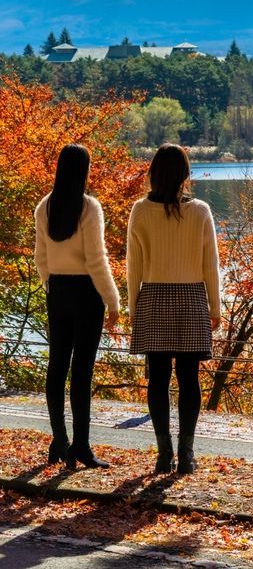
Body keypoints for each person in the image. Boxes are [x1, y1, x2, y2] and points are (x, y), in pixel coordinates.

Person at [127, 144, 221, 475]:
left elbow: (133, 264)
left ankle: (163, 452)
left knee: (158, 380)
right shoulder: (200, 210)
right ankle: (187, 453)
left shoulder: (140, 210)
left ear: (153, 172)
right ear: (184, 175)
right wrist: (216, 306)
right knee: (189, 379)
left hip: (152, 296)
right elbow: (210, 262)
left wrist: (131, 306)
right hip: (193, 297)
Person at [34, 143, 120, 469]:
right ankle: (81, 446)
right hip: (86, 293)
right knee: (81, 371)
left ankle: (59, 439)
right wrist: (112, 300)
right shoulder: (89, 207)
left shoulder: (44, 207)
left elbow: (40, 258)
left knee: (56, 367)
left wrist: (52, 286)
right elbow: (96, 260)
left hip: (57, 290)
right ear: (83, 170)